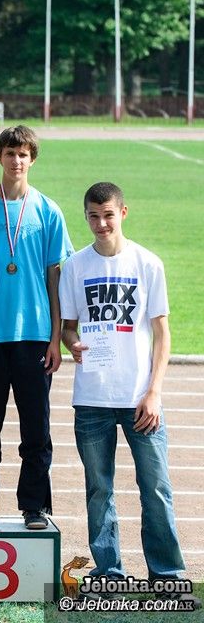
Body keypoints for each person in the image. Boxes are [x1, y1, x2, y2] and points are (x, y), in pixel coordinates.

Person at [59, 182, 201, 606]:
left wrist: (154, 392)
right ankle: (109, 572)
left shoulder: (147, 263)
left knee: (155, 487)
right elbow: (68, 328)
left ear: (123, 213)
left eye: (108, 215)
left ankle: (166, 573)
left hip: (140, 398)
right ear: (86, 216)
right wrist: (72, 344)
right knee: (99, 489)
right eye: (93, 216)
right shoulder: (75, 267)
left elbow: (162, 333)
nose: (101, 224)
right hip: (92, 399)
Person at [0, 125, 73, 530]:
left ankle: (35, 506)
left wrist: (56, 338)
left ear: (32, 159)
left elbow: (55, 278)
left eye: (23, 154)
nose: (16, 160)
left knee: (36, 428)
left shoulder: (48, 211)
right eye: (10, 153)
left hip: (35, 335)